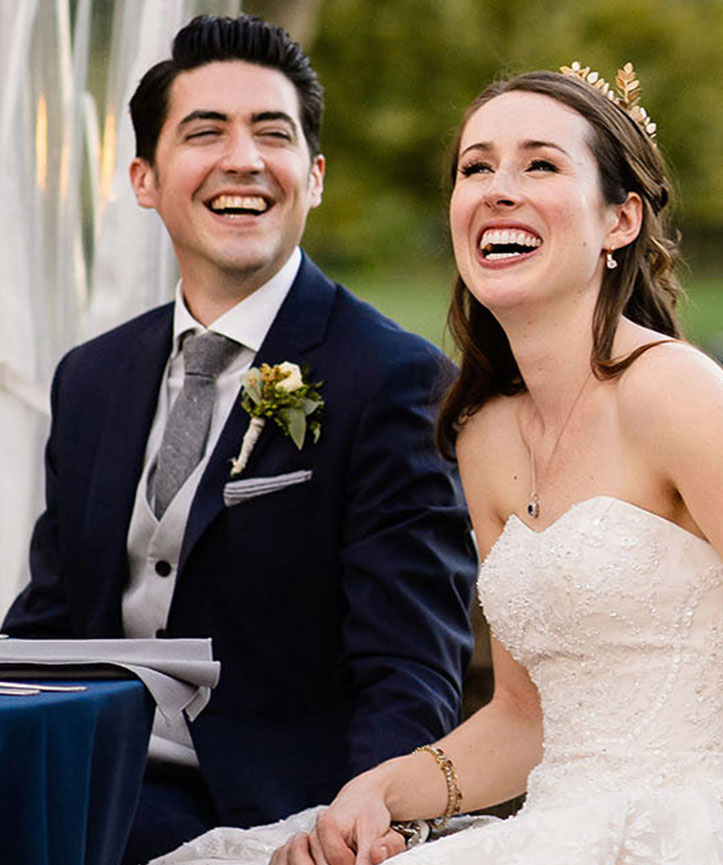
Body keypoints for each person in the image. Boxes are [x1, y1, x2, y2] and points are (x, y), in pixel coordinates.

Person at [151, 62, 723, 865]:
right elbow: (524, 714)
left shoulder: (674, 391)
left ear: (620, 220)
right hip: (560, 822)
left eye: (539, 164)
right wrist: (379, 792)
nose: (496, 188)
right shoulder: (485, 435)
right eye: (475, 167)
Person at [1, 14, 477, 865]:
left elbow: (410, 664)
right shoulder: (90, 378)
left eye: (273, 133)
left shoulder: (392, 380)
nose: (244, 160)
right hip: (78, 790)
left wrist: (357, 827)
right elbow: (47, 626)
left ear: (315, 175)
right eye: (205, 131)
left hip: (265, 812)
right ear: (144, 178)